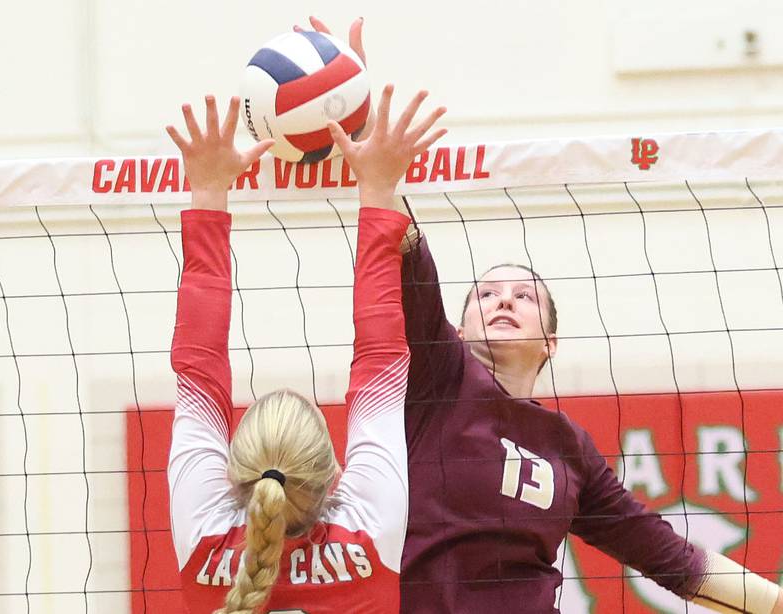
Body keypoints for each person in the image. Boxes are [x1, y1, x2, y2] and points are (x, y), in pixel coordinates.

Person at [361, 203, 783, 612]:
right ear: (457, 331)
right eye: (486, 294)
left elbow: (671, 558)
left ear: (550, 343)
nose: (504, 302)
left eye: (525, 296)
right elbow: (407, 257)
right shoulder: (437, 380)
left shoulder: (568, 446)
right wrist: (381, 183)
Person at [164, 82, 446, 613]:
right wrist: (377, 189)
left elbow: (200, 366)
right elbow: (379, 359)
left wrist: (208, 193)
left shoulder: (205, 538)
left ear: (232, 477)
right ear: (335, 475)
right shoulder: (366, 532)